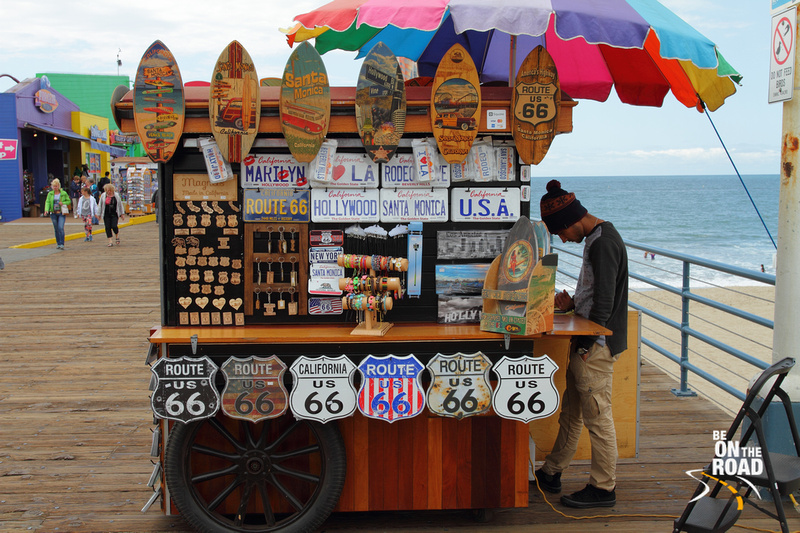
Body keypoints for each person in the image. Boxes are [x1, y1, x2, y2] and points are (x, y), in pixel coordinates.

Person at [534, 180, 629, 509]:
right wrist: (571, 303)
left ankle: (604, 488)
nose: (563, 239)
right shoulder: (598, 238)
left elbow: (604, 304)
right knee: (572, 413)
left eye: (561, 232)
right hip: (589, 341)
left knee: (597, 417)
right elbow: (597, 296)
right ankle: (552, 471)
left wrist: (587, 344)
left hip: (596, 346)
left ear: (572, 220)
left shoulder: (603, 243)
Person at [43, 177, 71, 249]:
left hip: (61, 212)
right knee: (56, 228)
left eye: (56, 186)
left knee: (60, 227)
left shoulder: (63, 193)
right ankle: (58, 243)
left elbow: (69, 201)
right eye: (53, 186)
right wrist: (46, 210)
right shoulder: (50, 194)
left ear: (59, 186)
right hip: (53, 213)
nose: (55, 187)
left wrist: (63, 203)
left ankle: (62, 243)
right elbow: (48, 202)